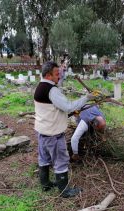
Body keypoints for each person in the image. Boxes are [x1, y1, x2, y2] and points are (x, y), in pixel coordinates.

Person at [34, 61, 95, 198]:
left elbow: (52, 110)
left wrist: (70, 113)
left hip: (42, 132)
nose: (59, 77)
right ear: (48, 75)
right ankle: (64, 191)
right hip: (53, 135)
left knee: (44, 158)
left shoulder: (40, 86)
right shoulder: (52, 90)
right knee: (61, 160)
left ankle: (45, 184)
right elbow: (67, 106)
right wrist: (86, 98)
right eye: (56, 74)